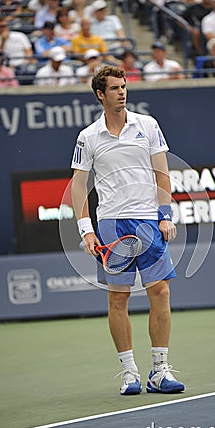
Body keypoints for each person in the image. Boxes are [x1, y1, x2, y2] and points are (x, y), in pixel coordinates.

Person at [70, 65, 185, 396]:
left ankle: (160, 371)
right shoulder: (88, 137)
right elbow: (79, 187)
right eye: (115, 88)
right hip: (111, 224)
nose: (122, 92)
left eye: (124, 86)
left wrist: (165, 214)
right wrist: (86, 230)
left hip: (149, 220)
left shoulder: (147, 125)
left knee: (160, 292)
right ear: (100, 95)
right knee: (118, 300)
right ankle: (129, 373)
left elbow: (162, 173)